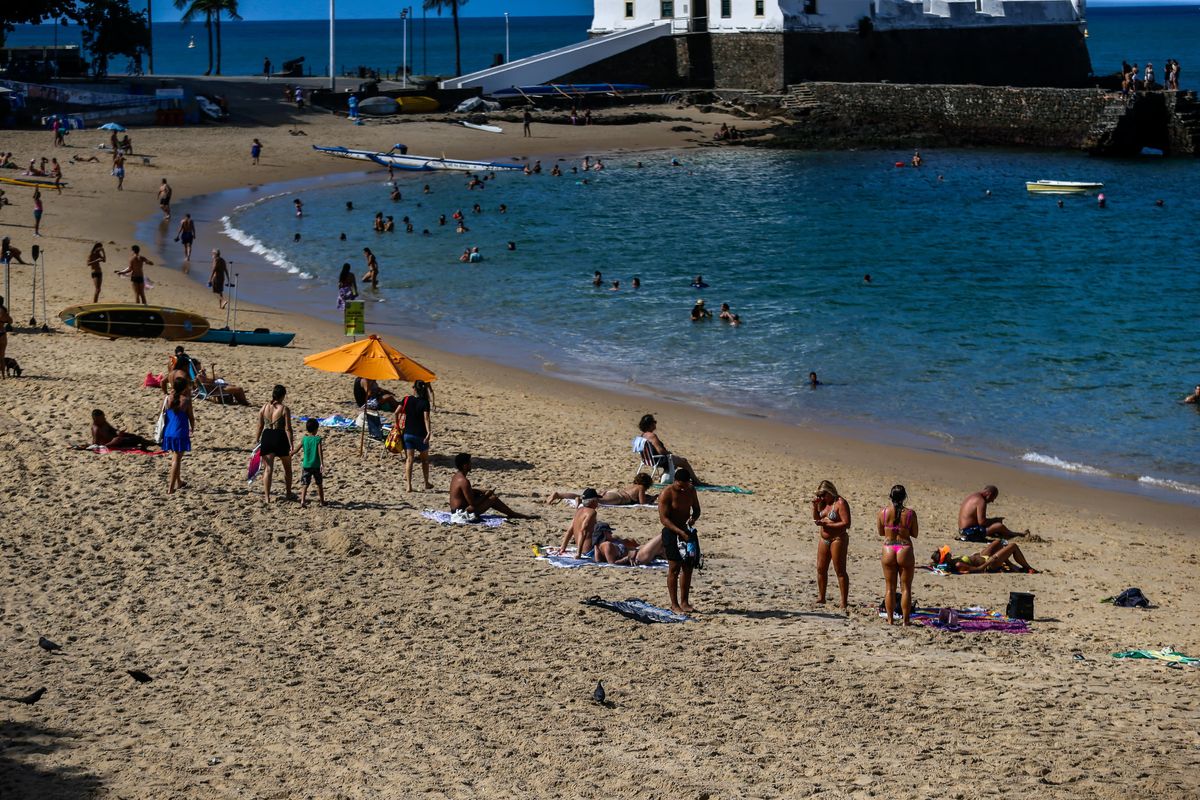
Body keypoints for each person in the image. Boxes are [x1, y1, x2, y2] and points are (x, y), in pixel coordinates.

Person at [658, 467, 701, 614]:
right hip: (671, 532)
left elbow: (696, 509)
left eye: (685, 486)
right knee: (674, 568)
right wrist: (679, 532)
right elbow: (664, 519)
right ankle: (674, 604)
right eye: (680, 486)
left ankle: (685, 602)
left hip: (686, 531)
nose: (683, 489)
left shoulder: (691, 490)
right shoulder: (666, 493)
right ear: (675, 482)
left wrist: (693, 518)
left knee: (688, 567)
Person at [449, 452, 535, 519]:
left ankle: (512, 513)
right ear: (465, 466)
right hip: (461, 513)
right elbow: (473, 504)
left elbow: (466, 491)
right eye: (469, 463)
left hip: (456, 510)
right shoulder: (464, 481)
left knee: (484, 495)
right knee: (492, 498)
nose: (471, 464)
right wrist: (486, 495)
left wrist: (482, 491)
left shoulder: (456, 477)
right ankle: (512, 514)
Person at [877, 485, 918, 625]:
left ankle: (890, 619)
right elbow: (915, 533)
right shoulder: (910, 514)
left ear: (890, 496)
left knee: (890, 587)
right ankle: (906, 621)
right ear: (905, 497)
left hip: (889, 547)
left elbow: (881, 532)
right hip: (904, 547)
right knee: (906, 587)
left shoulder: (882, 512)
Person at [812, 479, 851, 609]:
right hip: (824, 538)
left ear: (830, 492)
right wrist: (814, 507)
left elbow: (846, 523)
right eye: (820, 495)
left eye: (823, 494)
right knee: (821, 568)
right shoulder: (822, 503)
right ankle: (822, 597)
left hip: (838, 538)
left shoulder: (840, 503)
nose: (821, 497)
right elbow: (817, 517)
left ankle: (843, 601)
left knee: (840, 570)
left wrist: (828, 524)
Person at [255, 384, 295, 504]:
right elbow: (288, 428)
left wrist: (257, 439)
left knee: (268, 469)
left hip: (267, 437)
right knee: (287, 468)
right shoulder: (284, 409)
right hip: (280, 438)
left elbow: (260, 426)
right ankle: (288, 493)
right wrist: (291, 443)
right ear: (282, 396)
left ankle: (267, 497)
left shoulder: (264, 407)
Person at [637, 414, 699, 484]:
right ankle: (696, 481)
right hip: (658, 460)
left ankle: (663, 477)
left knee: (676, 461)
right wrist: (668, 453)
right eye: (654, 422)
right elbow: (660, 451)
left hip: (647, 460)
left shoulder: (642, 435)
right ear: (650, 424)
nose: (655, 424)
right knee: (684, 462)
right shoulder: (652, 436)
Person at [396, 380, 434, 492]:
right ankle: (426, 483)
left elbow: (396, 412)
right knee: (425, 460)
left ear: (414, 389)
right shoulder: (425, 402)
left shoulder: (407, 399)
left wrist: (398, 425)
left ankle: (409, 486)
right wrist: (429, 432)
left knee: (409, 460)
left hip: (407, 433)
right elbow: (426, 419)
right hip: (420, 435)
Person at [160, 377, 194, 494]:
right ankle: (170, 488)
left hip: (168, 432)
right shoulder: (187, 400)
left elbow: (162, 413)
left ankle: (179, 481)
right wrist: (192, 429)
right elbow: (191, 418)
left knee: (177, 457)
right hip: (180, 432)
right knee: (176, 459)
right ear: (184, 388)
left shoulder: (167, 399)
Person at [958, 485, 1027, 542]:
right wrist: (996, 520)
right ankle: (1014, 534)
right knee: (999, 526)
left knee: (995, 527)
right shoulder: (981, 501)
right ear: (989, 494)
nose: (992, 501)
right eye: (993, 498)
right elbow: (982, 522)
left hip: (962, 530)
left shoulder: (974, 496)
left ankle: (1008, 533)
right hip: (968, 532)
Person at [544, 473, 657, 506]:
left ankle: (559, 495)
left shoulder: (633, 485)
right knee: (595, 501)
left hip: (614, 492)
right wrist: (651, 499)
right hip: (619, 498)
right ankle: (580, 501)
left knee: (590, 497)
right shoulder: (641, 488)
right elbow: (642, 502)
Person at [932, 541, 1038, 574]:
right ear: (946, 558)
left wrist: (976, 555)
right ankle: (1027, 567)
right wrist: (991, 560)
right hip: (989, 565)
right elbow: (979, 569)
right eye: (947, 553)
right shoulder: (958, 564)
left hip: (982, 557)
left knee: (998, 543)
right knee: (1013, 546)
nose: (949, 552)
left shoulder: (953, 561)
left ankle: (1011, 564)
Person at [292, 418, 326, 507]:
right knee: (319, 484)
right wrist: (322, 463)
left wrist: (290, 454)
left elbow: (296, 450)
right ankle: (322, 501)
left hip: (306, 465)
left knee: (305, 484)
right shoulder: (318, 439)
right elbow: (320, 452)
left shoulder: (304, 439)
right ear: (316, 429)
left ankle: (303, 500)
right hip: (316, 465)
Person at [558, 487, 601, 555]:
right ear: (593, 501)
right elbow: (583, 531)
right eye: (597, 500)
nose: (598, 502)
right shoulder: (592, 512)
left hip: (582, 548)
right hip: (589, 551)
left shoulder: (579, 510)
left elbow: (570, 530)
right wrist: (579, 553)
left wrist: (563, 547)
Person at [91, 409, 157, 450]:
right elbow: (96, 446)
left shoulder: (103, 422)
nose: (104, 419)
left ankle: (152, 443)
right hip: (115, 443)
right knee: (137, 439)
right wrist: (113, 442)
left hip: (117, 438)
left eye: (104, 417)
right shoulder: (96, 429)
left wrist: (117, 432)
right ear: (96, 419)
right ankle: (154, 444)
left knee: (134, 436)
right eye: (102, 418)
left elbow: (112, 429)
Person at [0, 296, 11, 378]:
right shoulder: (4, 312)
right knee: (2, 356)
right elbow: (10, 321)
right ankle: (3, 374)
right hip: (2, 333)